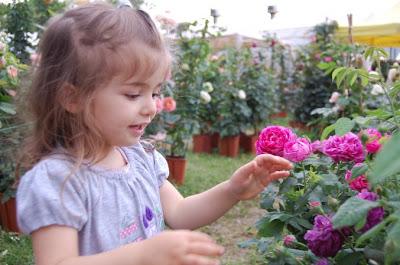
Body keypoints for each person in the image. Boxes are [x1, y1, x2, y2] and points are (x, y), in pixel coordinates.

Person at [16, 3, 293, 265]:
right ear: (72, 98)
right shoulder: (58, 182)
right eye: (133, 94)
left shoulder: (140, 159)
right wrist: (141, 256)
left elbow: (180, 213)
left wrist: (231, 190)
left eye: (156, 92)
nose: (150, 107)